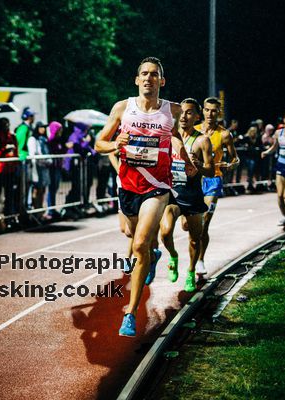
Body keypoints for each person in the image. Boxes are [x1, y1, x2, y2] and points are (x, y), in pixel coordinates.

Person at [94, 57, 196, 337]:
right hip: (127, 186)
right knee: (129, 233)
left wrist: (187, 160)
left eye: (154, 74)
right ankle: (152, 252)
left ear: (162, 81)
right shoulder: (122, 108)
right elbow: (99, 143)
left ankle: (130, 312)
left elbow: (179, 134)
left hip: (157, 187)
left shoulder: (172, 110)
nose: (149, 78)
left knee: (138, 245)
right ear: (136, 80)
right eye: (144, 74)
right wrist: (116, 143)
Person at [159, 99, 214, 292]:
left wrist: (198, 166)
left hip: (192, 196)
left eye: (189, 113)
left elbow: (211, 171)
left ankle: (190, 271)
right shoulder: (169, 137)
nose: (183, 116)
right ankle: (173, 256)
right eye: (181, 112)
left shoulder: (202, 140)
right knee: (165, 232)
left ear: (197, 117)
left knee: (194, 238)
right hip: (172, 194)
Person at [195, 97, 239, 275]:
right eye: (207, 110)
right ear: (203, 111)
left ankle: (200, 260)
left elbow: (235, 158)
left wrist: (232, 165)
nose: (210, 114)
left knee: (204, 222)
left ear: (218, 113)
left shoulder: (224, 134)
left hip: (214, 179)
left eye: (214, 111)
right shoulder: (194, 130)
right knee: (189, 226)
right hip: (194, 180)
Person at [261, 110, 285, 227]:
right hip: (280, 165)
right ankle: (283, 217)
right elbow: (274, 147)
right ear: (284, 120)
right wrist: (266, 152)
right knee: (279, 195)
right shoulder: (279, 133)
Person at [0, 117, 19, 216]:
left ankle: (8, 214)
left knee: (9, 193)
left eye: (7, 124)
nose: (6, 126)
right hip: (0, 169)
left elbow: (16, 152)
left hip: (10, 168)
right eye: (4, 124)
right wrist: (3, 150)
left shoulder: (12, 136)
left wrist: (15, 163)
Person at [27, 121, 52, 218]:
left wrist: (47, 160)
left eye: (44, 127)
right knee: (37, 189)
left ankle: (40, 210)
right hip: (36, 168)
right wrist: (44, 160)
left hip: (44, 167)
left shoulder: (43, 139)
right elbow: (34, 154)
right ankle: (36, 210)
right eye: (41, 127)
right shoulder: (32, 139)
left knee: (43, 189)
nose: (43, 129)